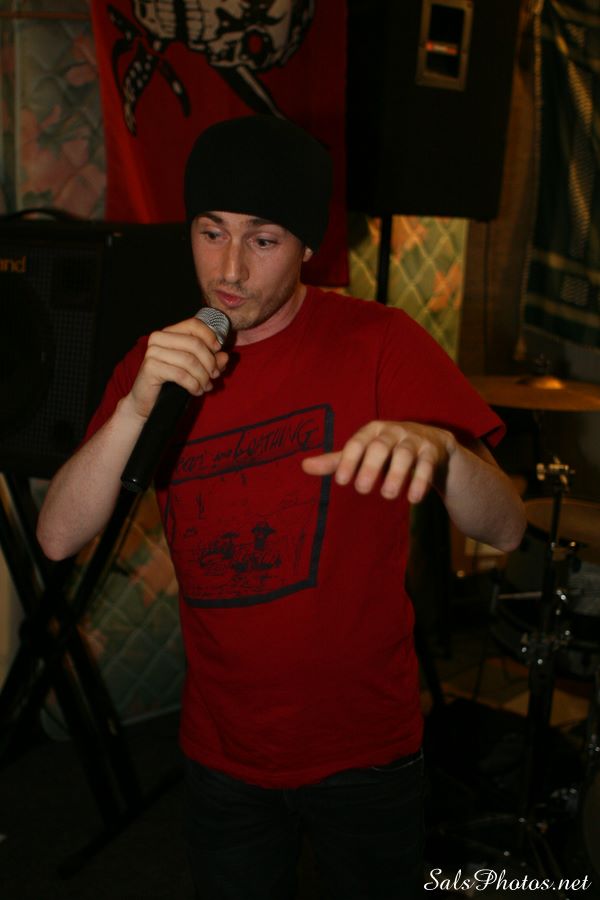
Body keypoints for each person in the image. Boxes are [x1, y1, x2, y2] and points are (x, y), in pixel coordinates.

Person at [37, 115, 526, 899]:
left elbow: (506, 527)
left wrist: (443, 451)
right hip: (221, 751)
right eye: (211, 232)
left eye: (262, 240)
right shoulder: (157, 362)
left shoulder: (380, 341)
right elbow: (58, 536)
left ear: (306, 247)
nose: (229, 268)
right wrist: (133, 409)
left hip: (365, 749)